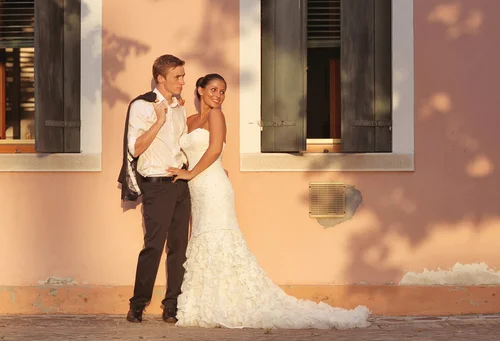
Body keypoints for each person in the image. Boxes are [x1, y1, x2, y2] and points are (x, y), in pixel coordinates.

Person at [167, 73, 371, 330]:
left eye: (223, 91)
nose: (218, 95)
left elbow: (215, 149)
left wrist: (190, 173)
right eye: (214, 89)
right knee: (203, 239)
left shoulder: (216, 116)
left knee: (219, 238)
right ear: (199, 90)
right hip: (197, 190)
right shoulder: (189, 120)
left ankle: (229, 302)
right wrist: (182, 169)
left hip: (213, 187)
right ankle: (208, 301)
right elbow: (186, 151)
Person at [125, 54, 190, 324]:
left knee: (179, 248)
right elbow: (135, 148)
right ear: (160, 78)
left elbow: (181, 145)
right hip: (156, 186)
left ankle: (171, 305)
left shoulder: (179, 107)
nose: (183, 81)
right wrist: (159, 120)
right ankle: (137, 305)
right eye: (178, 76)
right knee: (153, 246)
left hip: (180, 185)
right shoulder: (142, 106)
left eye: (184, 76)